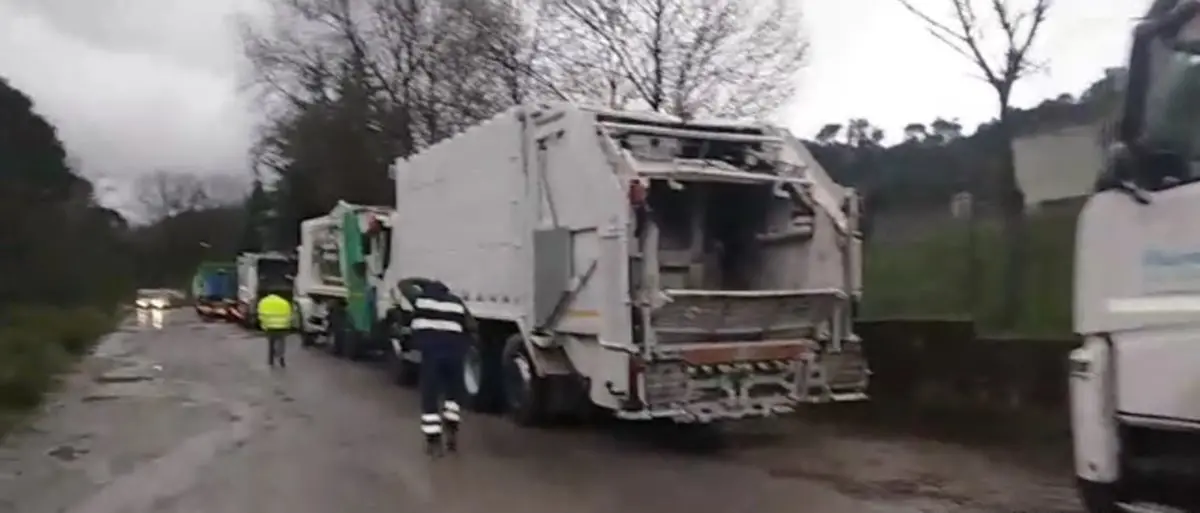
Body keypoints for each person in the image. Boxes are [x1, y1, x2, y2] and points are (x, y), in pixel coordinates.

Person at [409, 279, 474, 456]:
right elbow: (471, 325)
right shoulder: (456, 302)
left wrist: (421, 282)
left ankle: (434, 442)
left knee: (430, 397)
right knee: (453, 396)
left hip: (432, 356)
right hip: (454, 355)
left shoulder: (420, 300)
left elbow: (402, 284)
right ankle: (451, 431)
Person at [257, 293, 293, 368]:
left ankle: (271, 360)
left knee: (271, 342)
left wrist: (263, 326)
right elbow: (289, 315)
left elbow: (260, 315)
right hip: (282, 326)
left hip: (270, 327)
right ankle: (281, 357)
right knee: (281, 342)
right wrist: (288, 325)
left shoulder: (263, 302)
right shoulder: (284, 302)